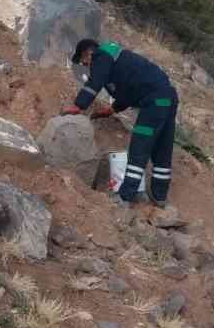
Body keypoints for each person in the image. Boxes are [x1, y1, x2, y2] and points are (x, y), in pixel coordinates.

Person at [65, 38, 178, 207]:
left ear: (88, 53)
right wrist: (113, 109)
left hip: (155, 102)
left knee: (140, 145)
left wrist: (78, 105)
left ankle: (126, 196)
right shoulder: (118, 59)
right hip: (168, 99)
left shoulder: (101, 56)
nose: (86, 65)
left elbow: (94, 82)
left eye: (84, 61)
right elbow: (129, 91)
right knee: (163, 147)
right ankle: (159, 196)